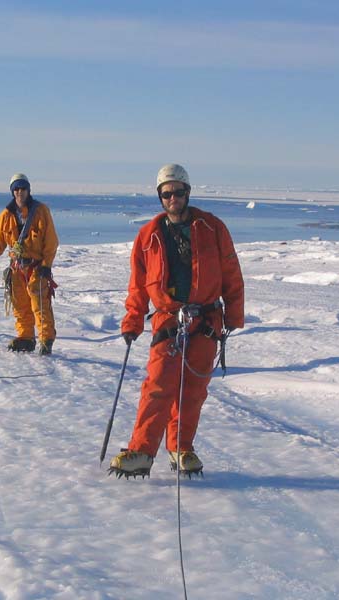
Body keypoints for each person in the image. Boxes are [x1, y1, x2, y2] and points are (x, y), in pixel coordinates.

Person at [109, 164, 244, 478]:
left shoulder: (212, 228)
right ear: (160, 197)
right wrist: (132, 321)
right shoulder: (148, 236)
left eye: (178, 192)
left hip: (207, 320)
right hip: (169, 320)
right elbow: (138, 285)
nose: (173, 198)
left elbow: (231, 272)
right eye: (167, 193)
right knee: (158, 385)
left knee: (193, 390)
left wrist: (234, 315)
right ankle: (141, 452)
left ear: (188, 193)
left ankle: (181, 448)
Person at [0, 173, 59, 355]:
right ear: (13, 192)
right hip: (17, 268)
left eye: (23, 188)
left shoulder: (41, 211)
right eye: (17, 189)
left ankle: (46, 339)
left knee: (40, 305)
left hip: (36, 268)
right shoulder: (6, 216)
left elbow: (50, 241)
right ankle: (26, 338)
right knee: (20, 305)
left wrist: (46, 265)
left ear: (28, 190)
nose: (20, 192)